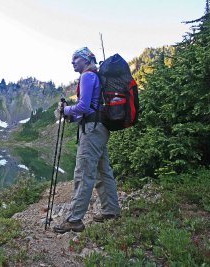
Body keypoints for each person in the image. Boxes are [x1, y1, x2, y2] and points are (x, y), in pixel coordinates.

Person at [53, 47, 121, 234]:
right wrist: (71, 116)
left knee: (83, 172)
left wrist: (64, 111)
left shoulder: (87, 76)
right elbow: (90, 107)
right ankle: (111, 211)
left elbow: (83, 106)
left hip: (92, 131)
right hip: (100, 128)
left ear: (85, 60)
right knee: (102, 171)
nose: (72, 62)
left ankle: (74, 219)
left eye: (76, 58)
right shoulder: (95, 76)